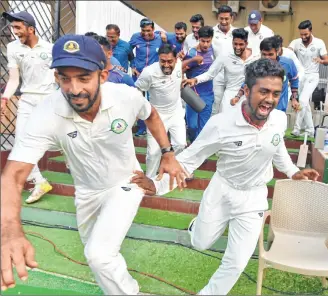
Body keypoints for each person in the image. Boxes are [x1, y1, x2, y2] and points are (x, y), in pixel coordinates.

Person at [0, 34, 187, 295]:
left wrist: (167, 153)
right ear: (56, 79)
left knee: (99, 255)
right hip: (86, 192)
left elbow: (151, 115)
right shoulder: (46, 112)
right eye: (65, 78)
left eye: (84, 78)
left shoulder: (126, 97)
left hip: (125, 182)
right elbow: (12, 176)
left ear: (103, 75)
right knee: (96, 257)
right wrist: (8, 232)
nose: (74, 89)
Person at [144, 58, 320, 295]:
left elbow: (277, 149)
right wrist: (155, 185)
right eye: (264, 91)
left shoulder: (279, 120)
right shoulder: (221, 124)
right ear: (247, 91)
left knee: (236, 262)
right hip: (222, 190)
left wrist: (293, 172)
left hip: (254, 197)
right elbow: (189, 159)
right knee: (200, 242)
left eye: (276, 93)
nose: (269, 99)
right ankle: (197, 226)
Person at [0, 11, 54, 204]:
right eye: (13, 27)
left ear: (30, 29)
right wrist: (5, 99)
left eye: (18, 27)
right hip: (27, 99)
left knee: (57, 141)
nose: (14, 32)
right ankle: (39, 181)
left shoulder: (50, 48)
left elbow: (59, 76)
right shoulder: (13, 48)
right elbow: (14, 79)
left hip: (49, 100)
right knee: (21, 142)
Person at [135, 44, 187, 178]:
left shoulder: (179, 64)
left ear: (176, 59)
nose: (166, 65)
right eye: (162, 61)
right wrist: (140, 110)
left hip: (176, 113)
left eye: (170, 61)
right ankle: (150, 178)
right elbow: (138, 90)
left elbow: (180, 77)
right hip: (156, 116)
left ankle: (171, 168)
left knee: (180, 144)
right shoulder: (149, 72)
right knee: (153, 152)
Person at [183, 28, 260, 114]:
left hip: (249, 95)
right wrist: (195, 79)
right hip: (230, 95)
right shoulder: (225, 56)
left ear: (246, 44)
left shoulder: (255, 56)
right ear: (232, 43)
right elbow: (210, 74)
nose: (237, 47)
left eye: (241, 44)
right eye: (235, 44)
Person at [231, 37, 299, 113]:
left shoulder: (288, 64)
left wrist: (294, 99)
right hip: (260, 109)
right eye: (264, 54)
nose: (267, 58)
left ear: (277, 52)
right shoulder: (256, 66)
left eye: (270, 54)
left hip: (279, 110)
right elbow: (247, 83)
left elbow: (294, 80)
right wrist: (238, 97)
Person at [289, 20, 328, 137]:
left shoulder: (319, 42)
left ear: (311, 31)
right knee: (304, 102)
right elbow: (288, 52)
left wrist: (321, 60)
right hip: (300, 75)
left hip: (313, 75)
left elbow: (327, 60)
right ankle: (310, 130)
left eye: (305, 34)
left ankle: (296, 129)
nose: (303, 37)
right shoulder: (296, 42)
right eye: (301, 34)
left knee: (302, 100)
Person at [129, 18, 164, 137]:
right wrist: (132, 66)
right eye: (143, 30)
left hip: (154, 76)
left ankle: (155, 126)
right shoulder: (135, 37)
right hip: (138, 75)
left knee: (154, 102)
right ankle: (141, 127)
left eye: (148, 30)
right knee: (138, 101)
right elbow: (129, 52)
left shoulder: (160, 39)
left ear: (153, 29)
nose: (145, 33)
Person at [182, 26, 215, 142]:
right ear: (198, 39)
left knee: (203, 127)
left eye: (208, 41)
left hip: (208, 94)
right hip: (193, 94)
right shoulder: (192, 53)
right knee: (192, 126)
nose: (205, 44)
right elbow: (180, 68)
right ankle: (192, 141)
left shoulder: (214, 50)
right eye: (203, 41)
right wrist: (192, 60)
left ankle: (198, 152)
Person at [211, 5, 236, 115]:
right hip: (218, 74)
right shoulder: (211, 32)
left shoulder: (237, 32)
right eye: (221, 18)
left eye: (226, 18)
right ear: (218, 18)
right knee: (216, 103)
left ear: (232, 18)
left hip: (234, 74)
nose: (224, 21)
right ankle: (214, 129)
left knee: (232, 103)